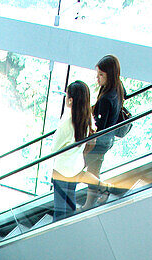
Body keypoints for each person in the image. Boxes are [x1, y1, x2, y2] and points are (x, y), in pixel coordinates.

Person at [83, 55, 126, 209]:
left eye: (101, 75)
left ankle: (104, 188)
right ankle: (90, 203)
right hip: (109, 141)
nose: (98, 78)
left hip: (100, 142)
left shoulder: (106, 99)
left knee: (75, 169)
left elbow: (99, 127)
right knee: (93, 171)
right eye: (98, 74)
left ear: (110, 75)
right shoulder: (119, 88)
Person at [50, 81, 93, 220]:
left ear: (71, 100)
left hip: (62, 170)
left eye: (66, 95)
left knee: (60, 210)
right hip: (76, 168)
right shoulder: (86, 117)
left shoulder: (67, 120)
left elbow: (54, 148)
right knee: (70, 205)